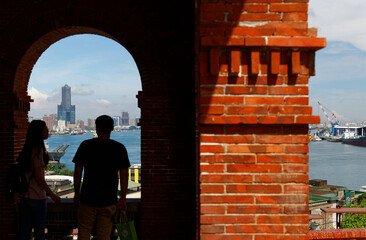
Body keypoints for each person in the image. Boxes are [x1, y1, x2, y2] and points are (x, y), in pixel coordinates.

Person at [73, 115, 130, 240]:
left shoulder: (86, 145)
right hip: (109, 200)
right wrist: (123, 198)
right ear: (112, 129)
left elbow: (77, 173)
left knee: (83, 233)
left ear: (96, 128)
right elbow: (124, 175)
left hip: (87, 198)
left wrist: (77, 194)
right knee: (104, 235)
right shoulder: (119, 148)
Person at [16, 120, 61, 240]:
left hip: (24, 197)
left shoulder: (26, 150)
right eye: (45, 129)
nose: (48, 131)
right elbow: (39, 178)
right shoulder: (38, 151)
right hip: (37, 197)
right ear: (39, 132)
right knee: (39, 233)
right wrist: (52, 195)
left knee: (24, 232)